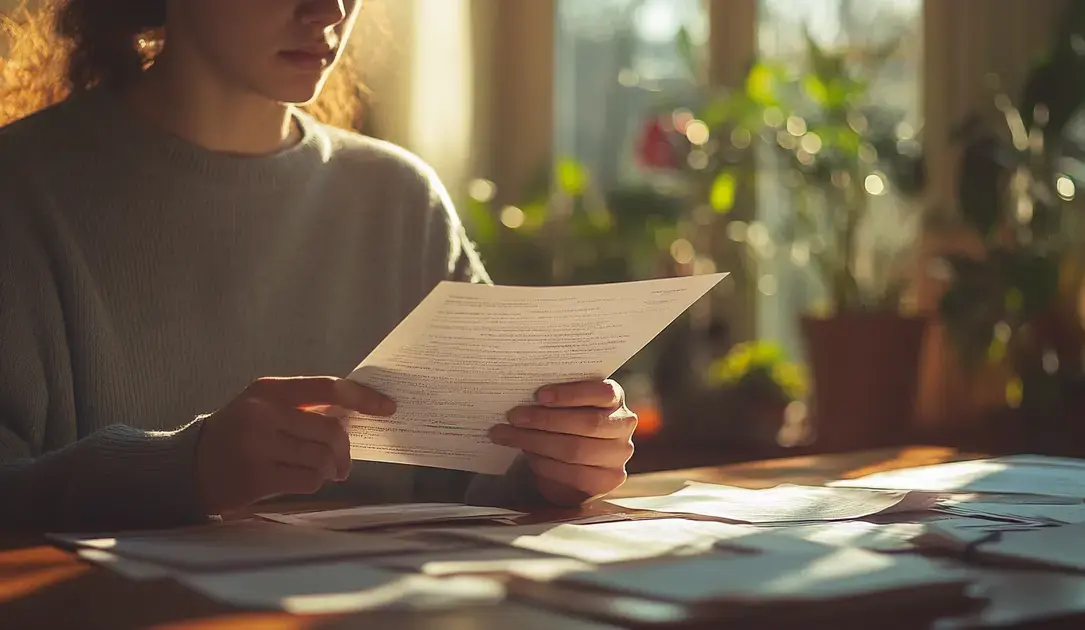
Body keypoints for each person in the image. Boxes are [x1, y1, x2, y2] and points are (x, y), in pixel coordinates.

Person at [0, 0, 638, 532]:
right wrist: (183, 470)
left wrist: (559, 463)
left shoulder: (398, 198)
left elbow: (479, 469)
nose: (329, 10)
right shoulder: (23, 192)